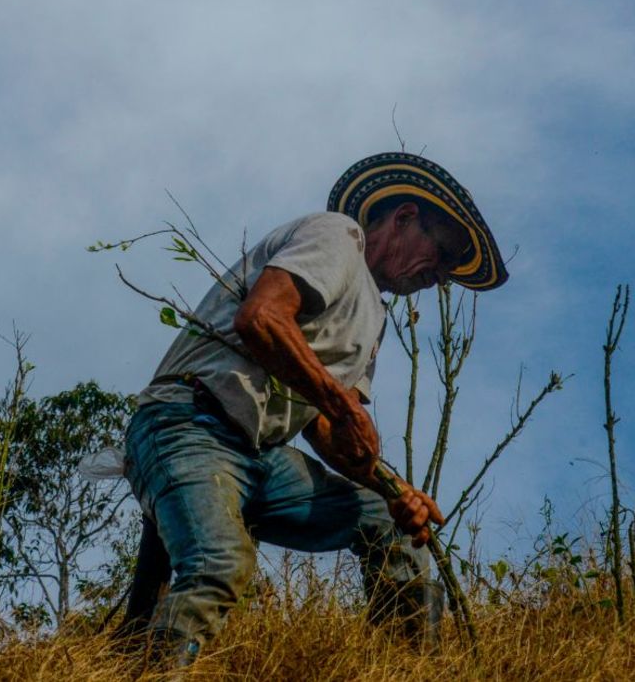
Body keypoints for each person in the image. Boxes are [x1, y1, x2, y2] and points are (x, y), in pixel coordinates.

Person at [122, 152, 508, 665]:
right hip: (188, 423)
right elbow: (260, 318)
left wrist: (393, 491)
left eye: (449, 270)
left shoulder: (373, 320)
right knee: (218, 562)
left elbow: (327, 428)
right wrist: (339, 405)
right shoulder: (339, 237)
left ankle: (414, 671)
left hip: (259, 455)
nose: (441, 275)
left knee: (391, 526)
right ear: (405, 218)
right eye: (441, 255)